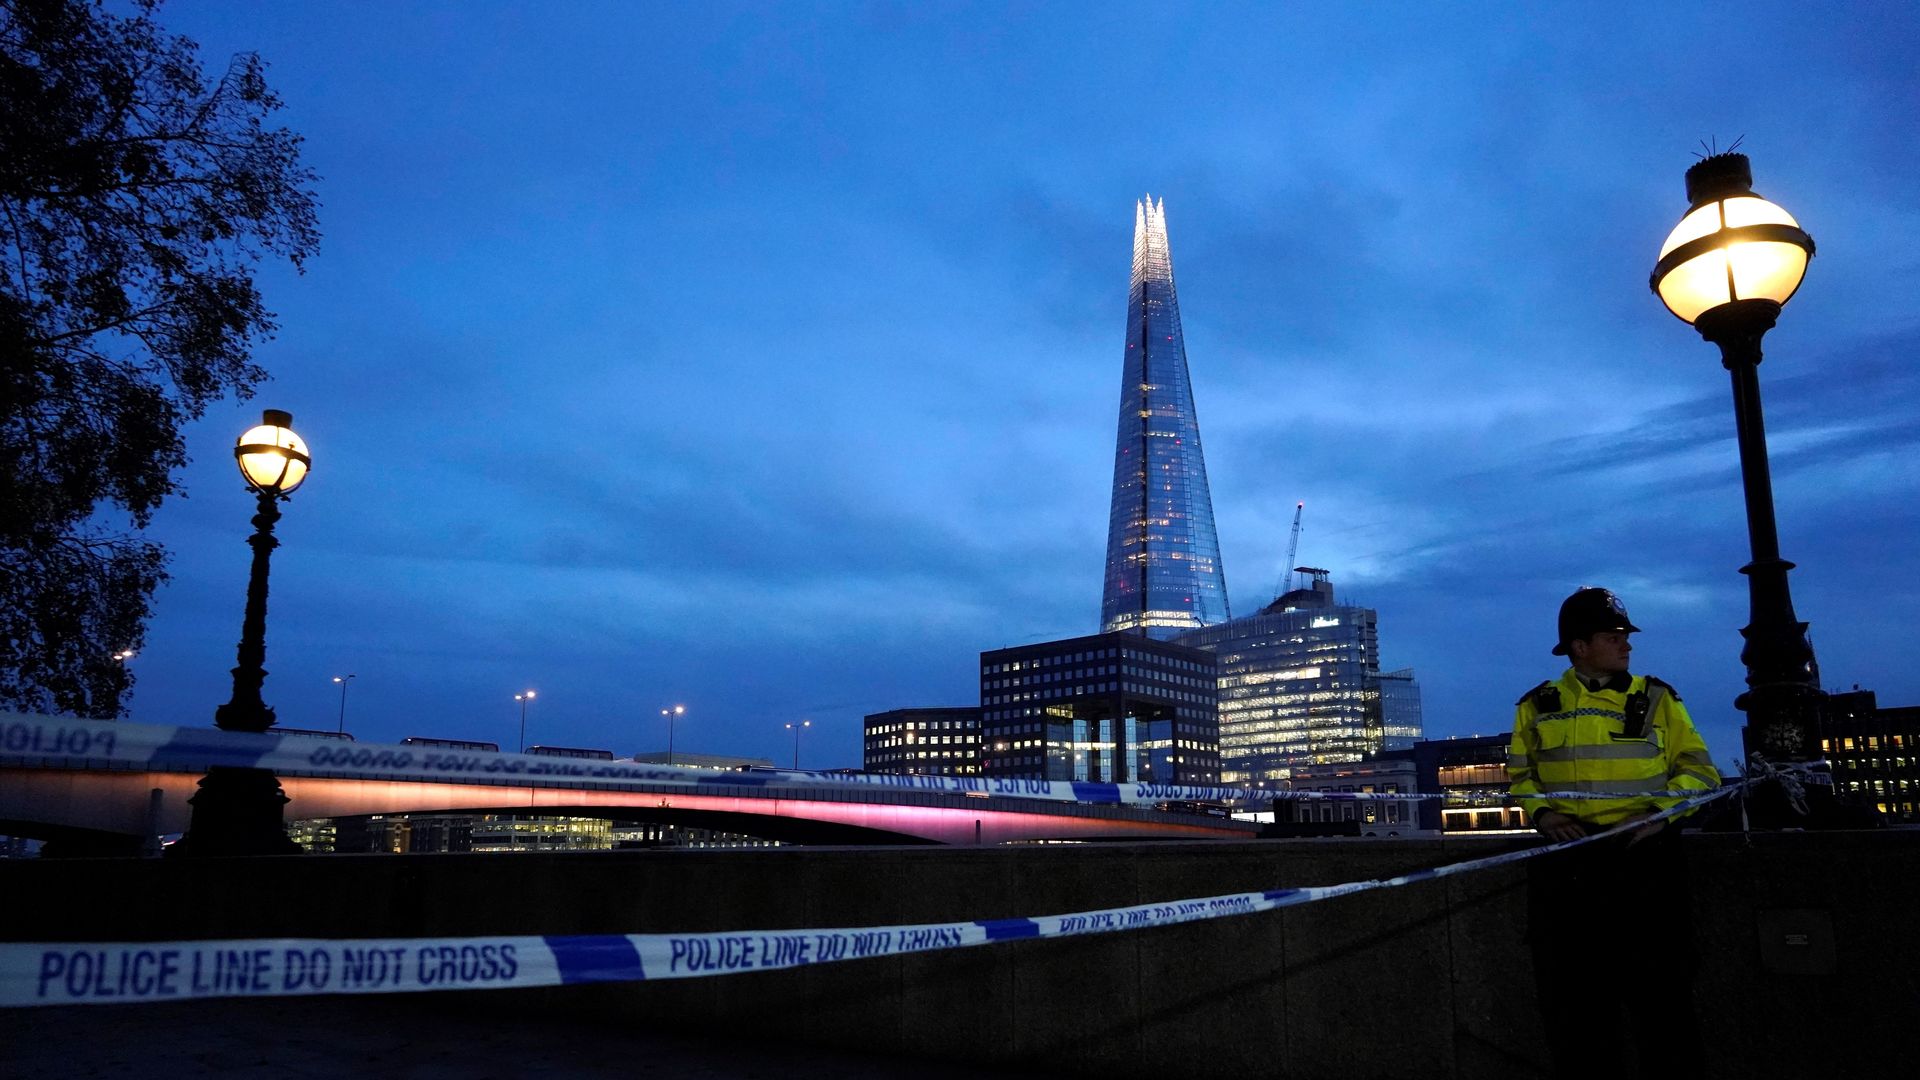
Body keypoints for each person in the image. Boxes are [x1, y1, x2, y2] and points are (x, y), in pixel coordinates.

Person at [1506, 587, 1720, 1079]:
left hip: (1644, 865)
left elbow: (1701, 775)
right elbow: (1521, 777)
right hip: (1571, 868)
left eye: (1625, 636)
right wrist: (1543, 817)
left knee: (1664, 1010)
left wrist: (1657, 816)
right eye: (1613, 636)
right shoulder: (1538, 705)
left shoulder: (1657, 699)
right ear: (1579, 647)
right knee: (1575, 1014)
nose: (1626, 646)